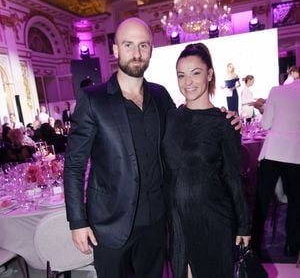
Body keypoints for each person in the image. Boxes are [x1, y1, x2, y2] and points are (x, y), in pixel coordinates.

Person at [64, 17, 241, 278]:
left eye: (143, 45)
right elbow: (75, 164)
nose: (136, 53)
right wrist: (78, 221)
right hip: (111, 224)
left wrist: (223, 119)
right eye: (128, 45)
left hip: (157, 222)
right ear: (115, 50)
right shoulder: (93, 100)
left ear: (151, 50)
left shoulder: (160, 96)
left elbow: (189, 125)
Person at [162, 43, 250, 278]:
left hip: (213, 218)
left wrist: (244, 225)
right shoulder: (170, 117)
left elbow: (233, 176)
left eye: (196, 73)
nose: (188, 82)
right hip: (178, 220)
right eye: (181, 75)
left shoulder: (224, 124)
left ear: (209, 74)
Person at [251, 65, 300, 258]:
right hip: (296, 154)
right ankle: (293, 245)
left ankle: (254, 244)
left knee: (262, 200)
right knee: (296, 202)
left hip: (274, 152)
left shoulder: (277, 91)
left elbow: (266, 124)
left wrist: (264, 108)